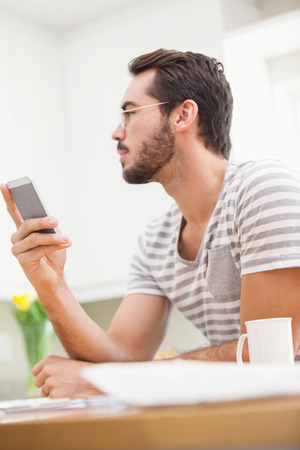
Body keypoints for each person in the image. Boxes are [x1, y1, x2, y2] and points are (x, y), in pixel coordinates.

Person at [1, 49, 300, 399]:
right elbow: (119, 358)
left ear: (183, 115)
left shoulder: (263, 189)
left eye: (129, 113)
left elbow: (265, 358)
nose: (116, 132)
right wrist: (52, 285)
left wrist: (108, 382)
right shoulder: (155, 242)